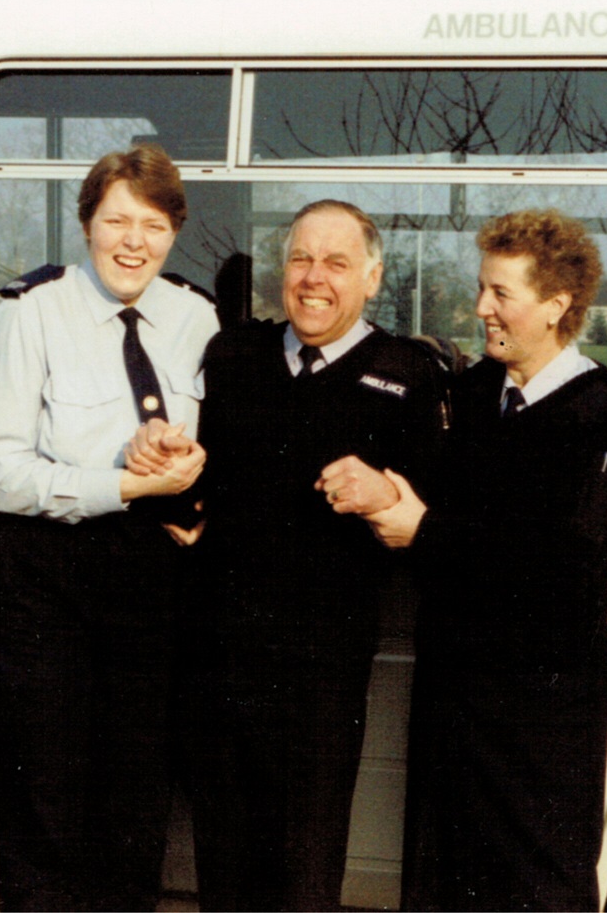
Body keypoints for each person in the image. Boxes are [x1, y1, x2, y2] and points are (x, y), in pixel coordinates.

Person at [327, 209, 607, 912]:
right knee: (440, 880)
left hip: (544, 700)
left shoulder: (606, 417)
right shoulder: (471, 398)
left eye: (500, 294)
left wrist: (427, 531)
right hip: (455, 689)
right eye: (482, 289)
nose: (481, 308)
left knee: (536, 882)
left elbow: (565, 565)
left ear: (556, 306)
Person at [130, 199, 445, 911]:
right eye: (300, 258)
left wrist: (385, 497)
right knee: (222, 869)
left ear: (371, 277)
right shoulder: (234, 355)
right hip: (216, 661)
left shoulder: (406, 375)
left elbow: (430, 531)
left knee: (302, 876)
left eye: (335, 263)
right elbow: (194, 480)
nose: (313, 278)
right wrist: (174, 491)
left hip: (317, 679)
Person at [0, 145, 219, 912]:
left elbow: (211, 444)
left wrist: (190, 491)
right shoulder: (29, 311)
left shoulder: (195, 316)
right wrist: (119, 483)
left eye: (152, 223)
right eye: (115, 220)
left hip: (147, 571)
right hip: (43, 570)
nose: (132, 241)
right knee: (43, 795)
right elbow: (2, 472)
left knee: (134, 800)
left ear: (174, 231)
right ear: (86, 225)